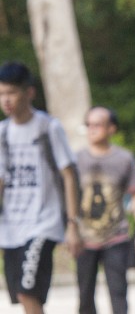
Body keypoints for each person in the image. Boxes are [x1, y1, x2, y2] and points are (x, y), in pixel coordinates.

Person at [0, 60, 82, 314]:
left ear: (29, 92)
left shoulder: (48, 127)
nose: (6, 100)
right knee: (25, 296)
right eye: (1, 93)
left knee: (28, 290)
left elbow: (69, 175)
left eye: (11, 92)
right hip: (11, 225)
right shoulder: (2, 133)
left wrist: (72, 224)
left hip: (43, 223)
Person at [76, 106, 135, 314]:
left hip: (116, 237)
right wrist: (69, 228)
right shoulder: (76, 159)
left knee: (118, 293)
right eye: (88, 124)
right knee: (85, 295)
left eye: (98, 124)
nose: (92, 129)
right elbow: (68, 196)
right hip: (84, 238)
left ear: (111, 129)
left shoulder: (124, 158)